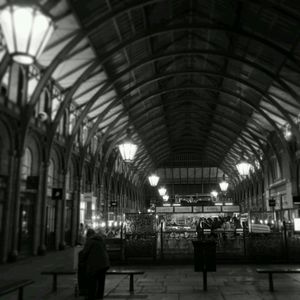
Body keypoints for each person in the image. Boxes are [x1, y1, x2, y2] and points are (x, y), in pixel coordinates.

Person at [79, 228, 110, 300]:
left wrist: (81, 261)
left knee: (92, 281)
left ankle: (91, 296)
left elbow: (85, 253)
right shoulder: (101, 240)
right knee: (101, 282)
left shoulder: (90, 241)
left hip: (95, 265)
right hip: (105, 263)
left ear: (88, 235)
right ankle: (100, 296)